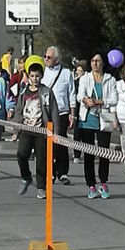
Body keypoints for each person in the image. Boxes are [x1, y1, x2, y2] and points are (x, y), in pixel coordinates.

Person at [15, 55, 59, 199]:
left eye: (38, 76)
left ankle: (41, 187)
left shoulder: (46, 92)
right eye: (32, 76)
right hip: (27, 130)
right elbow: (18, 110)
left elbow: (54, 111)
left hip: (41, 131)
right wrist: (17, 129)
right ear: (28, 76)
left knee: (42, 161)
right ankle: (26, 177)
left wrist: (55, 132)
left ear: (41, 76)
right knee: (21, 155)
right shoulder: (23, 92)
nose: (35, 79)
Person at [77, 51, 118, 199]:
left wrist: (100, 101)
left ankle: (104, 182)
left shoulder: (110, 80)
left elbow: (114, 99)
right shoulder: (85, 78)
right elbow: (79, 95)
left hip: (103, 119)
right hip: (87, 119)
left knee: (104, 153)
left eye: (98, 60)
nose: (95, 63)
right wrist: (86, 100)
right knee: (88, 154)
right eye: (93, 60)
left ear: (103, 63)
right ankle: (91, 185)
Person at [42, 46, 76, 185]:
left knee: (60, 142)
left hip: (62, 112)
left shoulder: (66, 73)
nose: (45, 59)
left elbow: (71, 94)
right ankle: (50, 172)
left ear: (56, 59)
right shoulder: (42, 72)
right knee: (47, 143)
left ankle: (62, 172)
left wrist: (72, 114)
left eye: (48, 57)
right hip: (46, 112)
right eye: (44, 56)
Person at [115, 62, 125, 175]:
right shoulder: (119, 84)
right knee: (124, 140)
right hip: (123, 116)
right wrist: (114, 118)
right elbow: (115, 100)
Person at [72, 60, 89, 163]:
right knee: (77, 134)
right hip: (77, 110)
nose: (77, 72)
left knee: (86, 134)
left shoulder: (88, 81)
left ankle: (88, 153)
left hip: (86, 109)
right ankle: (77, 154)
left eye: (80, 71)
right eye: (77, 70)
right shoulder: (75, 82)